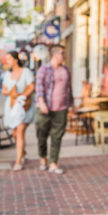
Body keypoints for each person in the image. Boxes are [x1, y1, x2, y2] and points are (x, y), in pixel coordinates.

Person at [35, 45, 73, 174]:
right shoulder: (44, 69)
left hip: (61, 108)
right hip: (45, 108)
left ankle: (53, 163)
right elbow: (39, 88)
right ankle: (43, 158)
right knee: (42, 135)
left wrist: (71, 105)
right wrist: (42, 103)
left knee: (57, 136)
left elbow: (69, 88)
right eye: (62, 53)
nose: (64, 56)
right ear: (55, 54)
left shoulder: (65, 70)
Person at [2, 51, 35, 171]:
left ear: (16, 59)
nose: (7, 61)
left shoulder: (26, 72)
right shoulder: (7, 75)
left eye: (9, 58)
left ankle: (18, 161)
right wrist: (11, 92)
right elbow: (4, 91)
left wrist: (23, 96)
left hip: (23, 106)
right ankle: (23, 153)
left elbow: (32, 86)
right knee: (14, 133)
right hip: (11, 106)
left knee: (20, 131)